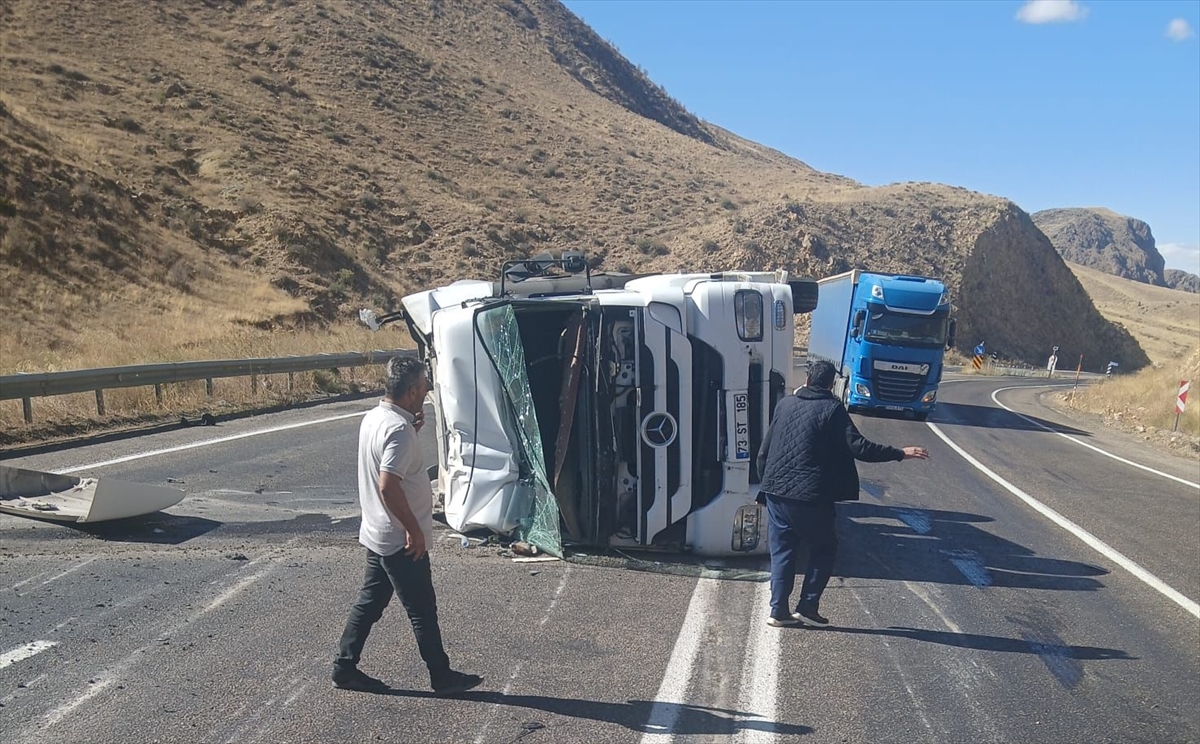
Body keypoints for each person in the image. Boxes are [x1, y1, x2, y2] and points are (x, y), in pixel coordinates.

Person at [332, 356, 483, 694]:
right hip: (399, 538)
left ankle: (344, 667)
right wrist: (415, 530)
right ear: (413, 390)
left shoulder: (378, 417)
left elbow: (389, 460)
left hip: (377, 532)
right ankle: (441, 677)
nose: (429, 388)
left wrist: (410, 432)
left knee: (370, 601)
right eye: (425, 384)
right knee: (422, 611)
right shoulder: (398, 430)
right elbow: (388, 484)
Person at [756, 359, 929, 628]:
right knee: (824, 548)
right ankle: (808, 608)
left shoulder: (785, 404)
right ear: (831, 384)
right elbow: (859, 447)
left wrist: (765, 486)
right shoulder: (832, 409)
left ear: (807, 380)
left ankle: (778, 611)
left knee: (783, 553)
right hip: (809, 497)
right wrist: (899, 453)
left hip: (776, 492)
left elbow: (764, 452)